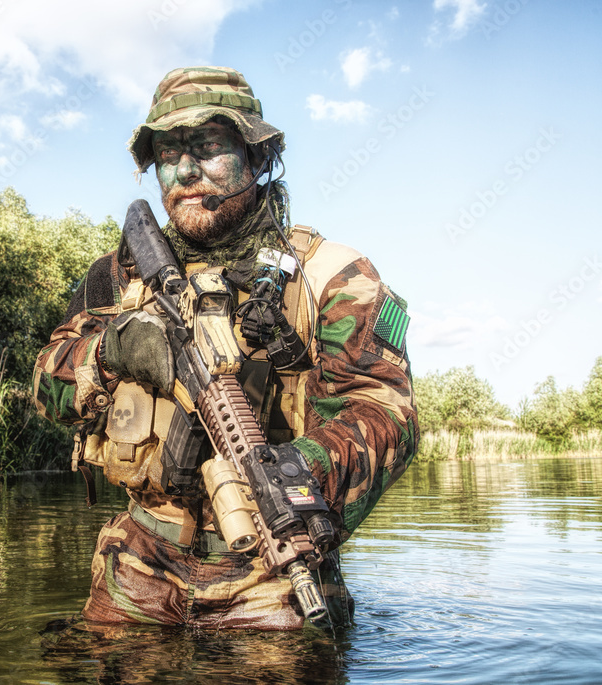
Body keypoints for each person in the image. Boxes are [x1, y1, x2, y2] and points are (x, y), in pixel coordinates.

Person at [32, 66, 418, 631]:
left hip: (275, 565)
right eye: (168, 152)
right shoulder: (115, 276)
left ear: (257, 157)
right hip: (139, 558)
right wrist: (109, 352)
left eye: (209, 147)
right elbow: (44, 385)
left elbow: (389, 415)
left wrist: (295, 474)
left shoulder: (332, 276)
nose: (186, 170)